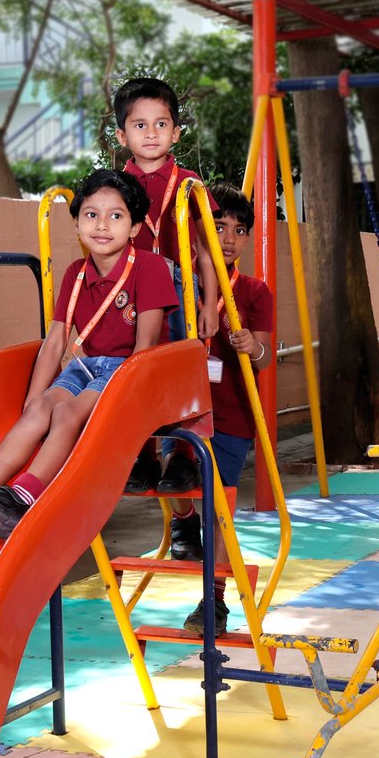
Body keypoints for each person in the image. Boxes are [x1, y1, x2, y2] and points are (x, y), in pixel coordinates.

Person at [0, 169, 175, 540]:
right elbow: (56, 341)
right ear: (76, 223)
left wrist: (125, 400)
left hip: (126, 371)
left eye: (116, 216)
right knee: (42, 407)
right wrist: (32, 401)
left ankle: (22, 499)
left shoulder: (149, 268)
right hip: (85, 367)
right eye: (91, 214)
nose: (102, 225)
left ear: (135, 227)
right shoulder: (75, 273)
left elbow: (145, 345)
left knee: (66, 412)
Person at [158, 184, 274, 635]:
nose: (228, 238)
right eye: (219, 226)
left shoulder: (254, 291)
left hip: (231, 415)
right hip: (181, 408)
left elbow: (264, 356)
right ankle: (183, 521)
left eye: (239, 230)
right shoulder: (178, 283)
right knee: (169, 473)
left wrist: (251, 347)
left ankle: (215, 601)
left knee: (220, 508)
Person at [112, 77, 223, 493]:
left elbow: (207, 251)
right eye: (139, 125)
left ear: (175, 132)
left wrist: (209, 304)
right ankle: (141, 453)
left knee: (182, 369)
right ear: (122, 135)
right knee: (135, 368)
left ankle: (182, 457)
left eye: (161, 124)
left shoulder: (189, 183)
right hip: (132, 287)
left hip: (180, 290)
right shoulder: (114, 186)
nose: (151, 133)